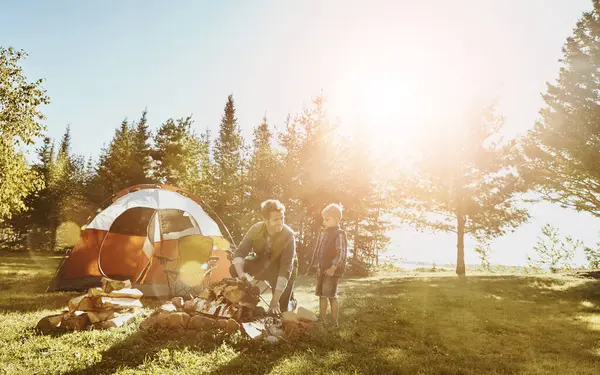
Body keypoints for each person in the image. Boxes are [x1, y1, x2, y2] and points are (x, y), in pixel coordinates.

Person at [230, 199, 298, 315]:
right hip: (263, 264)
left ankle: (291, 301)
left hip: (283, 270)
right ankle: (247, 303)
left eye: (282, 218)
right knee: (234, 268)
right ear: (265, 220)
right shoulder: (255, 229)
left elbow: (285, 269)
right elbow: (240, 253)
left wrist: (274, 300)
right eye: (276, 219)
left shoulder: (288, 235)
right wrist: (241, 274)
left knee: (280, 312)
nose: (280, 222)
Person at [307, 203, 348, 327]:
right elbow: (319, 251)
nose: (324, 222)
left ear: (336, 219)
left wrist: (334, 267)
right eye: (324, 219)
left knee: (330, 296)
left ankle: (334, 322)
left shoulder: (339, 234)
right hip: (322, 269)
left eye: (327, 219)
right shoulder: (324, 233)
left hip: (331, 270)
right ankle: (322, 320)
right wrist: (316, 265)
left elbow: (341, 252)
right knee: (321, 295)